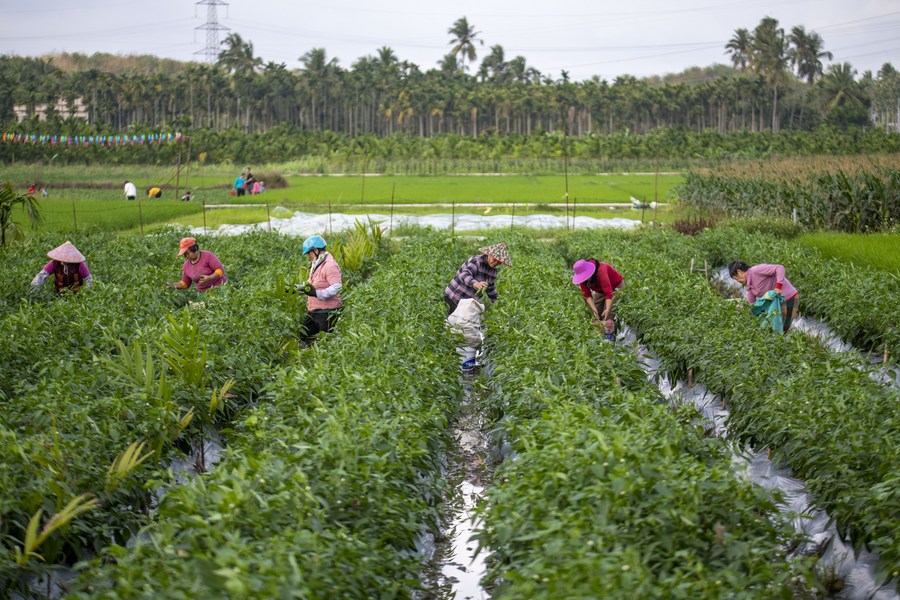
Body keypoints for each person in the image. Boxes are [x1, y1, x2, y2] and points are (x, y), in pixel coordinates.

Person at [294, 235, 343, 344]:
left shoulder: (330, 265)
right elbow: (311, 284)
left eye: (308, 253)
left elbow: (337, 287)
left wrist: (317, 293)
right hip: (313, 310)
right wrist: (298, 290)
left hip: (327, 312)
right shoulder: (316, 263)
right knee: (302, 335)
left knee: (326, 342)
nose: (308, 256)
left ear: (316, 250)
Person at [729, 260, 799, 333]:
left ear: (739, 272)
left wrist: (778, 287)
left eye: (736, 278)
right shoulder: (749, 286)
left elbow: (779, 268)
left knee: (782, 329)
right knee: (773, 329)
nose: (737, 281)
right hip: (776, 303)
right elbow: (752, 305)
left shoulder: (756, 270)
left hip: (789, 298)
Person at [444, 242, 512, 315]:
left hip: (467, 302)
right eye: (494, 259)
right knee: (453, 322)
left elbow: (490, 287)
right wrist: (475, 283)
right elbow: (464, 275)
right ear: (489, 254)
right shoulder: (477, 261)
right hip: (454, 296)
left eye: (499, 262)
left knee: (464, 322)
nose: (496, 263)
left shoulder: (493, 271)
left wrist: (496, 301)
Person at [571, 258, 623, 341]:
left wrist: (607, 309)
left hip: (615, 287)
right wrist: (593, 308)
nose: (584, 279)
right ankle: (598, 338)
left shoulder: (601, 271)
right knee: (596, 315)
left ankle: (609, 339)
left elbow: (608, 293)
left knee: (608, 316)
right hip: (600, 290)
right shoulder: (583, 279)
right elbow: (587, 294)